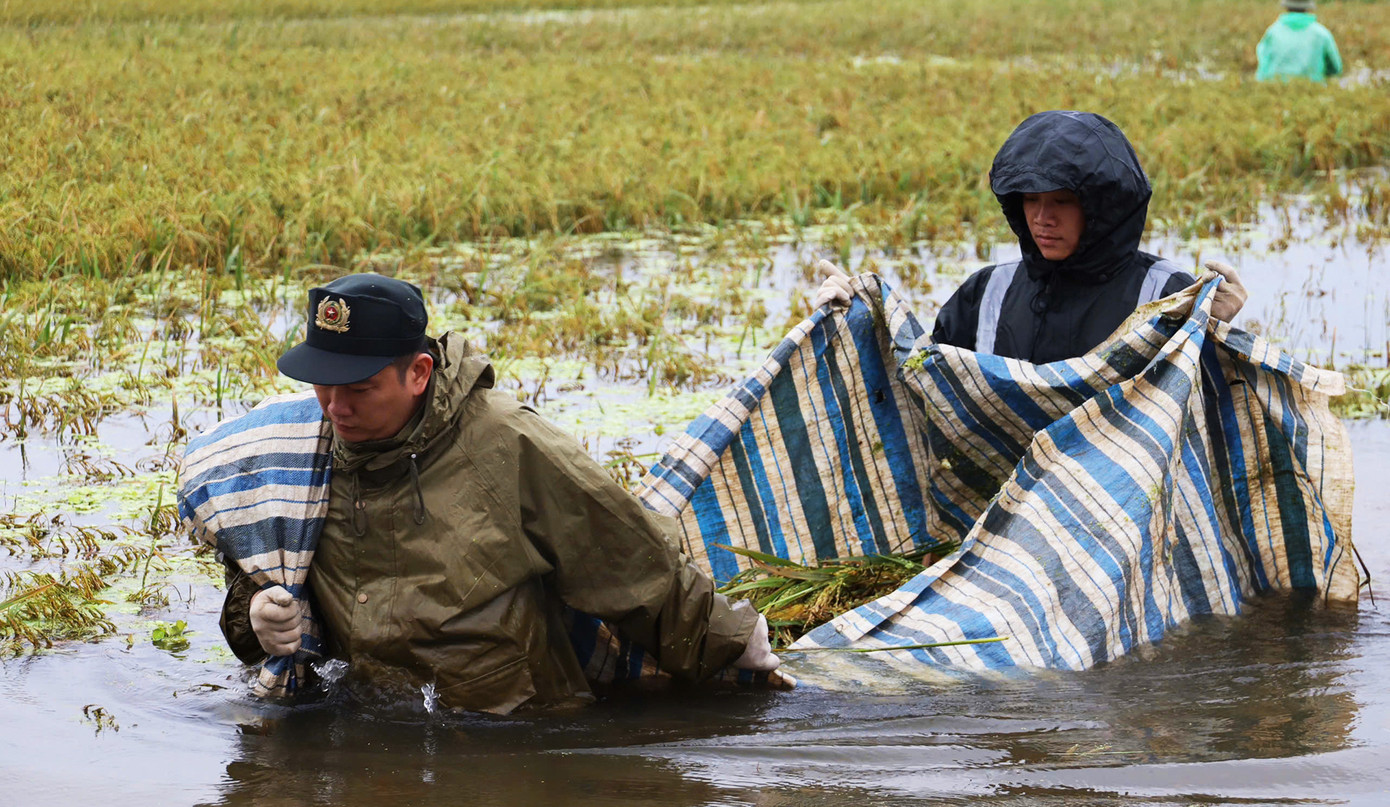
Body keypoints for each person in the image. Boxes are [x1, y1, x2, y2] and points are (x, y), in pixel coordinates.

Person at [219, 273, 779, 714]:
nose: (336, 408)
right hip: (367, 721)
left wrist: (734, 644)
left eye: (361, 389)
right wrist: (258, 619)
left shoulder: (508, 443)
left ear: (418, 372)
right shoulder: (297, 452)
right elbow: (258, 574)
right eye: (323, 384)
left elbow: (628, 560)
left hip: (515, 729)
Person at [813, 110, 1248, 364]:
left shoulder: (1166, 295)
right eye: (1030, 199)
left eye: (1061, 201)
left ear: (1102, 207)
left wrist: (1219, 336)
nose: (1042, 218)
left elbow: (1209, 418)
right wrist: (853, 322)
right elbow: (923, 389)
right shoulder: (985, 294)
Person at [1256, 0, 1343, 83]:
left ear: (1286, 7)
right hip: (1313, 90)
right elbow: (1336, 68)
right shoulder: (1322, 34)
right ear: (1308, 7)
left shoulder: (1273, 32)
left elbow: (1263, 67)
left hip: (1275, 90)